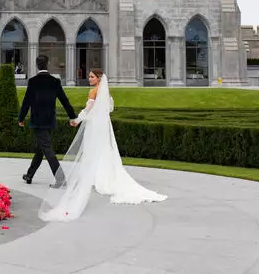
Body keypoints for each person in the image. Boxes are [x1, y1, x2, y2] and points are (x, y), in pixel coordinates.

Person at [39, 68, 167, 221]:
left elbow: (88, 109)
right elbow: (110, 108)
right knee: (105, 150)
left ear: (98, 78)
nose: (89, 78)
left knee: (93, 150)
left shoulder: (93, 92)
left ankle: (96, 177)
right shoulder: (105, 92)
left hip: (94, 126)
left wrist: (77, 120)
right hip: (104, 126)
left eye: (92, 76)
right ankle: (103, 175)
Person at [18, 54, 78, 187]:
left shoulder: (33, 81)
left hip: (38, 121)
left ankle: (60, 178)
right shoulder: (54, 81)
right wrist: (72, 116)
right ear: (48, 64)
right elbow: (64, 100)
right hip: (50, 121)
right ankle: (29, 175)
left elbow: (26, 102)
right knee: (41, 149)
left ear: (36, 65)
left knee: (47, 149)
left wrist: (21, 118)